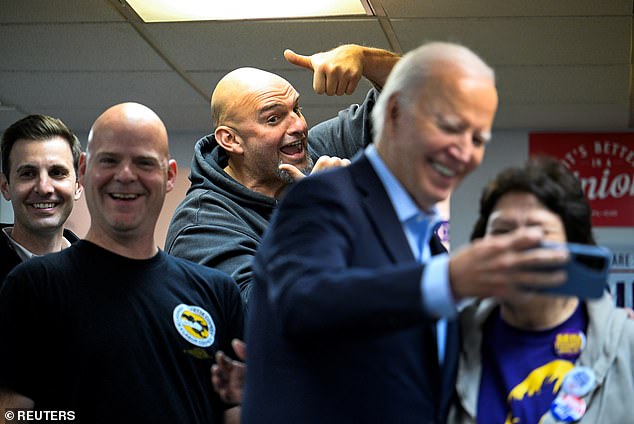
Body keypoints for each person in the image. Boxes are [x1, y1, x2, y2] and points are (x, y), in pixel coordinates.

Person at [241, 41, 568, 423]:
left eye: (477, 139)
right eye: (449, 127)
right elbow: (290, 310)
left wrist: (365, 59)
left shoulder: (419, 236)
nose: (463, 152)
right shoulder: (303, 202)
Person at [0, 103, 244, 423]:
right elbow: (13, 415)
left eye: (144, 163)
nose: (126, 176)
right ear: (84, 171)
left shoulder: (217, 291)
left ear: (169, 175)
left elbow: (235, 409)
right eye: (109, 161)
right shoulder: (33, 286)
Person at [165, 44, 400, 301]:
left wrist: (366, 59)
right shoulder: (202, 224)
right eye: (274, 119)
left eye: (296, 109)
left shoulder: (313, 152)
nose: (299, 125)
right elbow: (259, 317)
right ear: (231, 140)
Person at [449, 157, 634, 423]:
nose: (518, 248)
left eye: (538, 235)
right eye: (502, 231)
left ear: (573, 248)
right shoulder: (451, 342)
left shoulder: (626, 347)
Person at [0, 114, 82, 281]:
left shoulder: (101, 275)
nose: (43, 188)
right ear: (5, 186)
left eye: (57, 173)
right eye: (28, 174)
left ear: (78, 186)